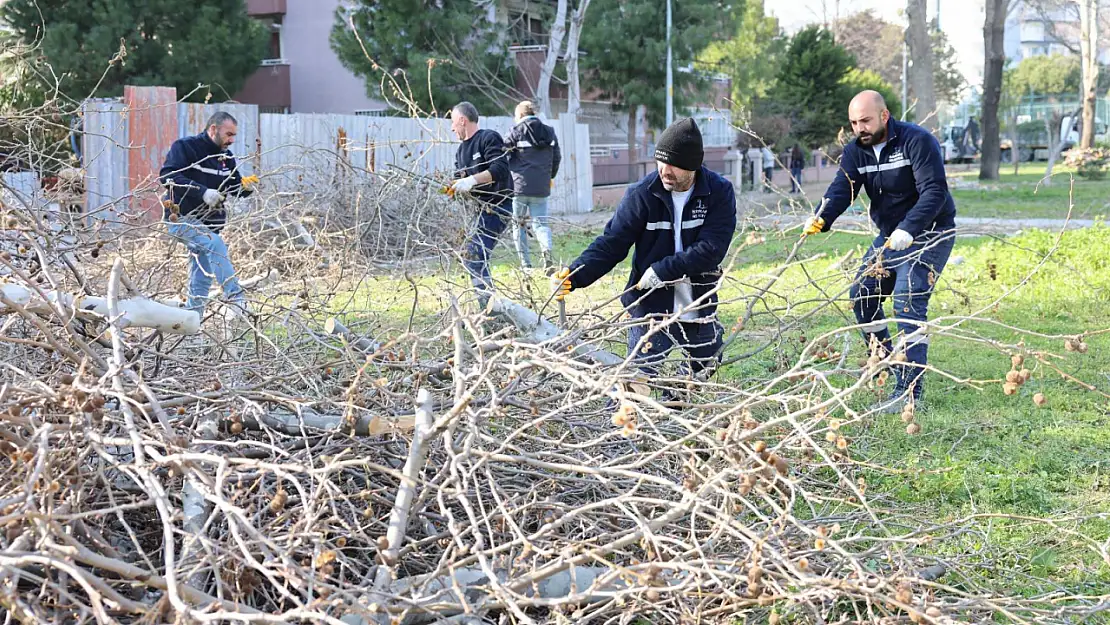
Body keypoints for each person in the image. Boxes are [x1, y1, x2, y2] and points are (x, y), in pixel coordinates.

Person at [804, 90, 956, 413]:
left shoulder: (917, 142)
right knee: (862, 294)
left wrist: (909, 228)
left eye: (866, 120)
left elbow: (935, 192)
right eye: (854, 122)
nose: (860, 128)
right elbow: (841, 189)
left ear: (884, 116)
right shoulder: (855, 153)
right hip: (890, 237)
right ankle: (894, 367)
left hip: (930, 232)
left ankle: (910, 392)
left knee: (907, 297)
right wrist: (822, 216)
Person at [553, 118, 736, 383]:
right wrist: (574, 274)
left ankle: (674, 401)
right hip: (649, 306)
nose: (665, 170)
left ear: (693, 165)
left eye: (674, 164)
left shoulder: (718, 192)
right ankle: (620, 422)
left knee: (706, 364)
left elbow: (711, 249)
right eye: (661, 161)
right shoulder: (642, 195)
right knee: (636, 382)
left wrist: (662, 270)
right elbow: (611, 244)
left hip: (698, 301)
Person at [159, 111, 258, 317]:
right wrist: (202, 191)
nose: (231, 140)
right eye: (228, 134)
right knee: (214, 244)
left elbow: (233, 187)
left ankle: (191, 320)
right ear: (213, 129)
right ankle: (236, 299)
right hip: (181, 219)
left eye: (234, 136)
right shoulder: (185, 148)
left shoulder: (226, 158)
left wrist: (246, 187)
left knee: (201, 275)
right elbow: (168, 175)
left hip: (208, 224)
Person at [449, 101, 513, 306]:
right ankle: (491, 309)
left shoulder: (488, 138)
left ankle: (491, 311)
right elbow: (459, 177)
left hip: (497, 207)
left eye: (453, 122)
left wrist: (471, 180)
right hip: (480, 212)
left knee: (475, 256)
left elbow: (500, 168)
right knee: (474, 257)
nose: (452, 128)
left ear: (462, 120)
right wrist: (454, 187)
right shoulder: (460, 152)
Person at [503, 100, 561, 275]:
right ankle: (546, 254)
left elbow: (502, 155)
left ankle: (526, 265)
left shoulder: (515, 132)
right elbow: (557, 157)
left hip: (518, 187)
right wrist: (549, 176)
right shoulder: (549, 132)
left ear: (520, 115)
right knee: (541, 224)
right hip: (541, 187)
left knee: (518, 225)